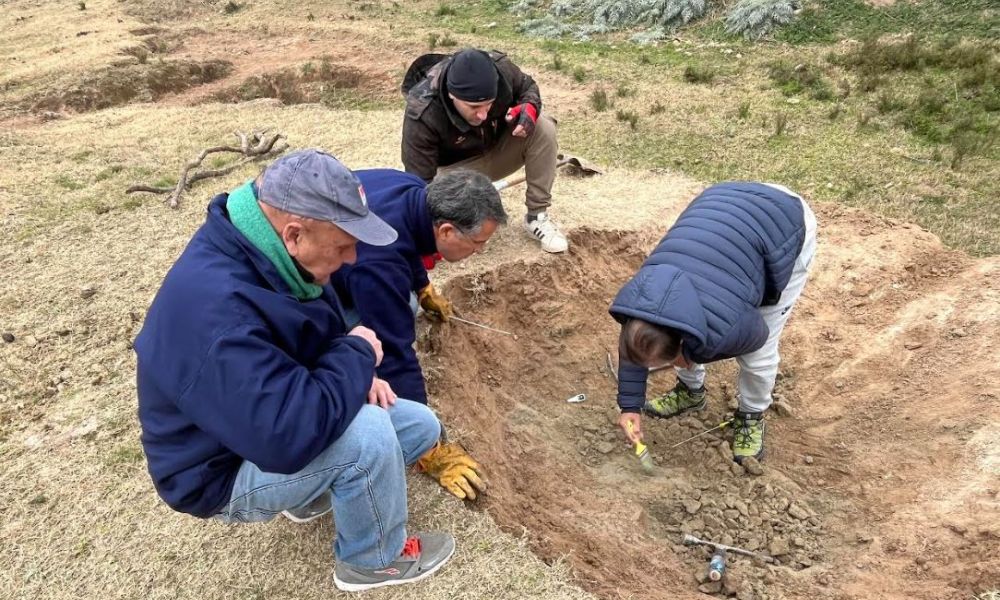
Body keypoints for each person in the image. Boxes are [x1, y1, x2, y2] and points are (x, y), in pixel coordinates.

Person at [134, 149, 455, 592]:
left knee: (418, 424)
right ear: (294, 234)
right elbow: (288, 436)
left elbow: (304, 345)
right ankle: (371, 560)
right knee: (367, 436)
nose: (352, 259)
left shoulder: (266, 254)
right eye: (343, 246)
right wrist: (358, 357)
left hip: (260, 423)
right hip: (219, 468)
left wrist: (355, 370)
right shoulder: (221, 313)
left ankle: (312, 492)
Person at [610, 182, 817, 463]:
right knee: (677, 346)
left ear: (684, 342)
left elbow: (757, 335)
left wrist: (696, 354)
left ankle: (751, 416)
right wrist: (629, 406)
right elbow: (637, 347)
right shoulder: (639, 305)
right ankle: (690, 393)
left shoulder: (729, 325)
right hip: (723, 210)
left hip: (784, 224)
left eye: (671, 360)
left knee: (760, 354)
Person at [333, 168, 506, 501]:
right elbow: (396, 354)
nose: (481, 252)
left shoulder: (417, 192)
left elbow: (407, 242)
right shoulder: (379, 265)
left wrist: (422, 285)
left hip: (355, 259)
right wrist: (428, 446)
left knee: (409, 302)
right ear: (446, 231)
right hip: (303, 285)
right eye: (478, 243)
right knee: (383, 321)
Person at [401, 47, 568, 254]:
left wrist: (529, 106)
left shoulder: (500, 70)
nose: (482, 115)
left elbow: (527, 86)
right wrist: (426, 236)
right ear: (452, 95)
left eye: (488, 105)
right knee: (430, 195)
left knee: (543, 126)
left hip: (498, 151)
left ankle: (537, 216)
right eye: (473, 107)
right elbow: (419, 182)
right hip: (455, 176)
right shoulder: (423, 110)